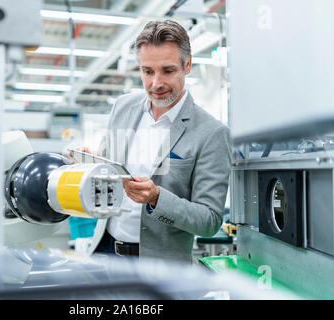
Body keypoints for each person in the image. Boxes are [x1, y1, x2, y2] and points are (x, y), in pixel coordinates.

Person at [73, 20, 231, 263]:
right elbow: (110, 171)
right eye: (147, 71)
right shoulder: (123, 108)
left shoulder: (211, 133)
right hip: (104, 252)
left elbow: (209, 221)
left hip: (158, 267)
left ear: (187, 65)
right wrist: (90, 164)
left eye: (168, 71)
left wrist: (157, 197)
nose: (156, 83)